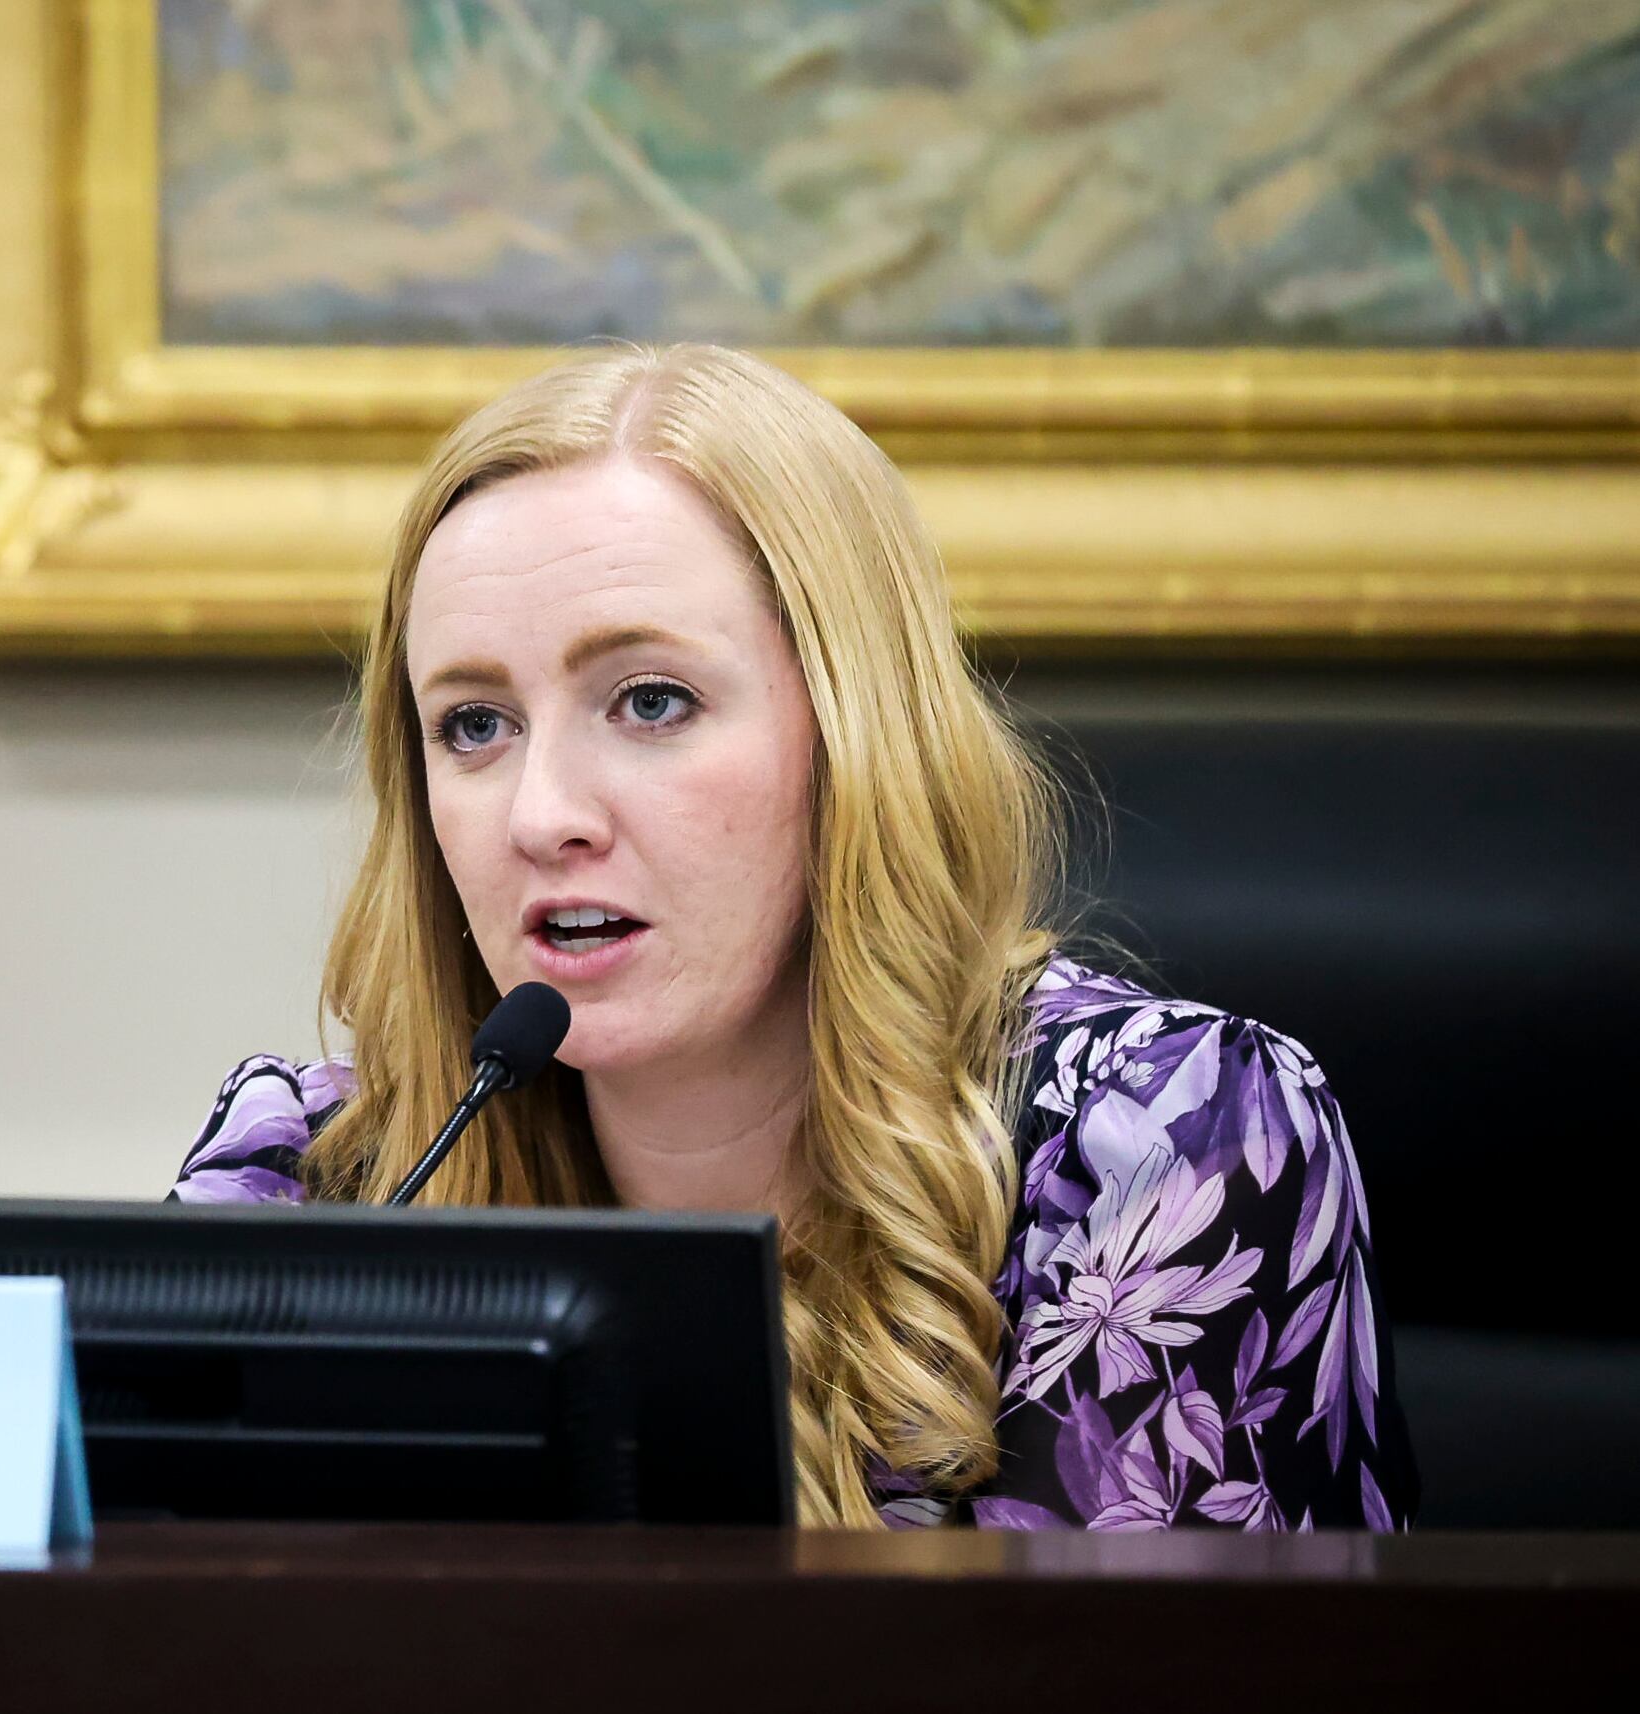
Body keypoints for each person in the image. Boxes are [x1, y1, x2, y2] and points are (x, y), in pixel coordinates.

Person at [169, 344, 1416, 1531]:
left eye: (651, 701)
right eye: (475, 725)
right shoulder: (325, 1178)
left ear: (853, 744)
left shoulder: (1155, 1145)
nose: (543, 815)